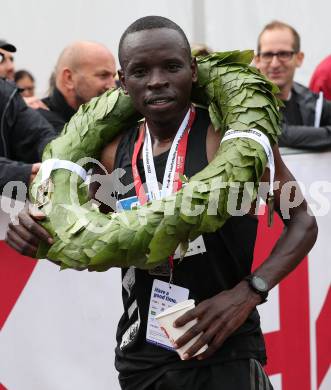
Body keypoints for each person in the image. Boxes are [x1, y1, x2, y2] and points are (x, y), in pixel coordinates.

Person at [6, 16, 317, 390]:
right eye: (140, 71)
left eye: (171, 67)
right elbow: (82, 215)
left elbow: (303, 221)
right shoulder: (112, 151)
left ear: (194, 71)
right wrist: (34, 225)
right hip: (142, 358)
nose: (156, 81)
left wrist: (249, 292)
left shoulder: (226, 138)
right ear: (123, 82)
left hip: (223, 351)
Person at [255, 20, 331, 150]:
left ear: (299, 58)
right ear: (257, 60)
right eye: (267, 55)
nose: (275, 64)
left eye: (284, 54)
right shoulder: (244, 102)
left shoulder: (316, 103)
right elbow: (278, 133)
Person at [36, 41, 117, 134]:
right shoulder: (39, 126)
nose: (113, 86)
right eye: (103, 75)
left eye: (113, 76)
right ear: (69, 78)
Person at [0, 78, 56, 196]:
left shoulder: (7, 95)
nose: (10, 66)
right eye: (102, 75)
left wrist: (57, 159)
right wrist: (24, 174)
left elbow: (39, 133)